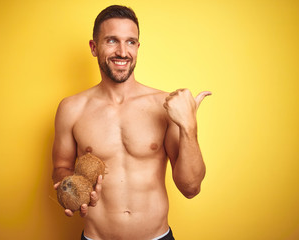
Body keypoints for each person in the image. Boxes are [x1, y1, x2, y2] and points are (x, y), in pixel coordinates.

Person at [52, 5, 211, 240]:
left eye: (130, 42)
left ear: (137, 47)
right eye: (112, 41)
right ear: (94, 47)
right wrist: (73, 189)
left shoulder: (164, 105)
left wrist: (189, 125)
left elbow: (190, 188)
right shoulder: (71, 109)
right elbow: (60, 167)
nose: (122, 52)